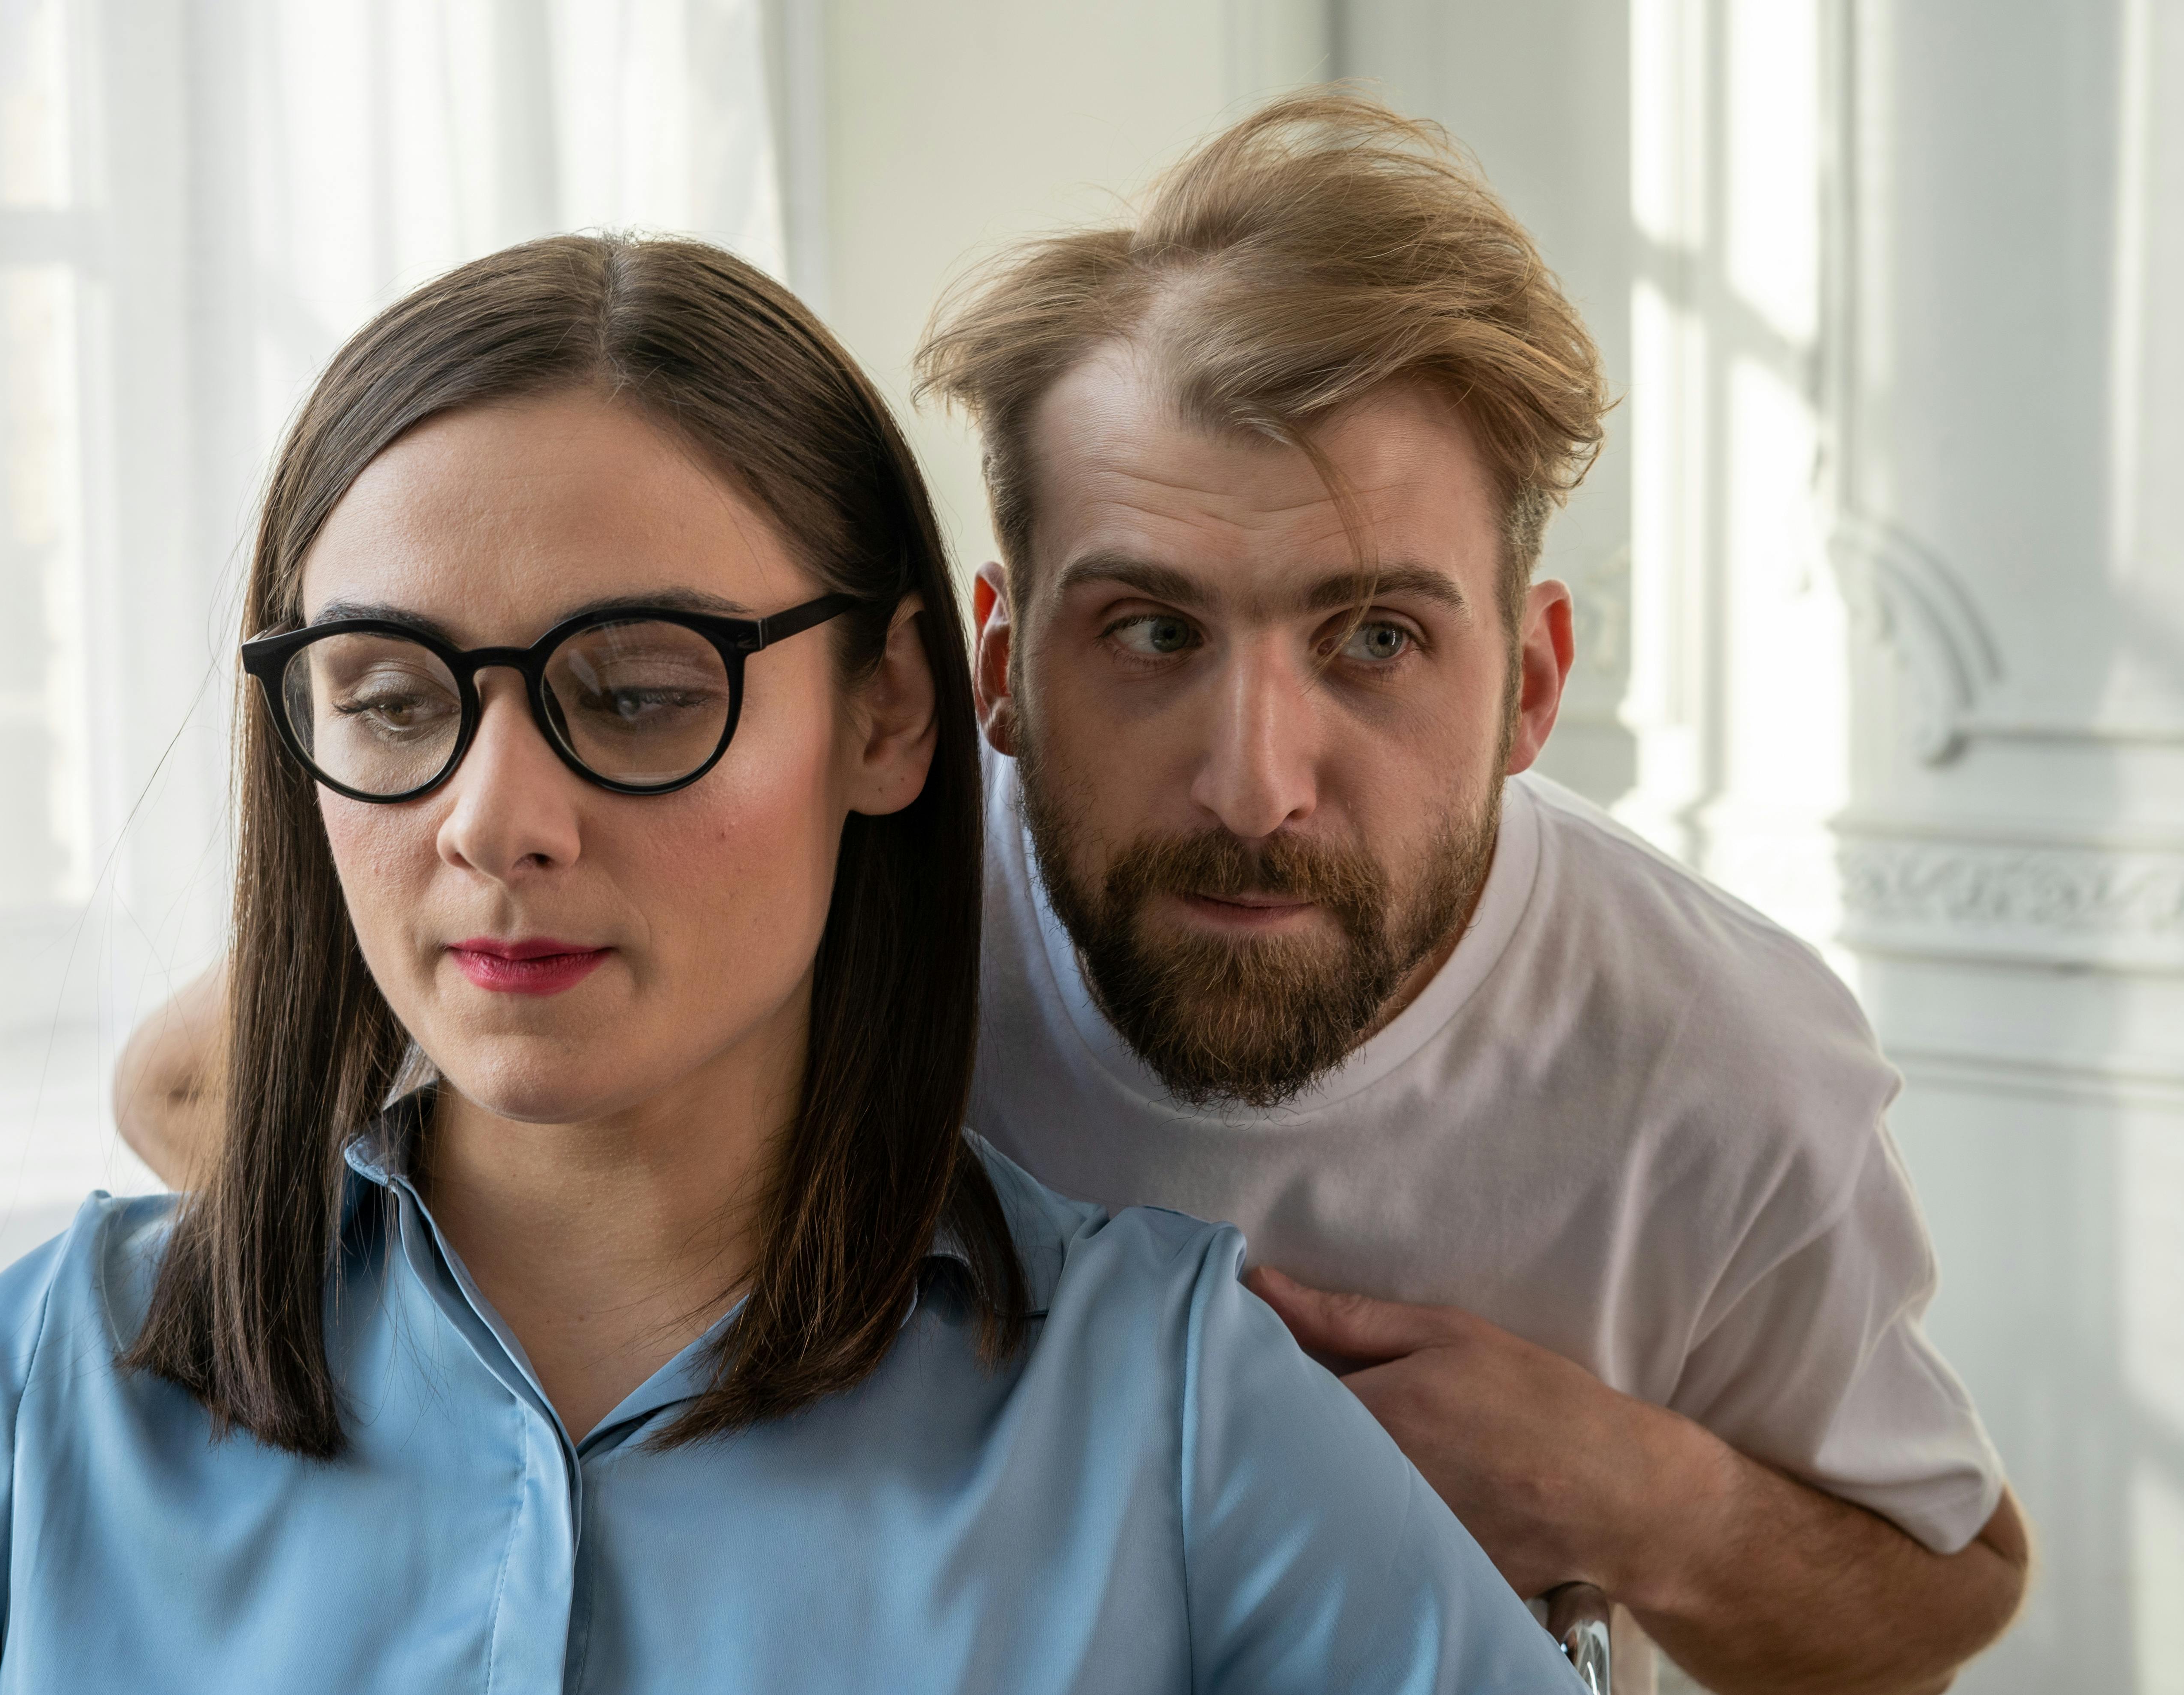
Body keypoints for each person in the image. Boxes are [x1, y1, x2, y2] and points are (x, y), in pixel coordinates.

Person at [114, 94, 2031, 1695]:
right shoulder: (810, 889)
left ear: (1529, 682)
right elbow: (214, 1096)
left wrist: (1628, 1493)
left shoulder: (1715, 1057)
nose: (1251, 778)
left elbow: (1939, 1592)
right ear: (992, 668)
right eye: (1148, 631)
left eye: (1371, 636)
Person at [0, 234, 1577, 1694]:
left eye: (636, 691)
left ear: (892, 708)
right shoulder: (57, 1369)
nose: (495, 817)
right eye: (392, 697)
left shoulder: (1164, 1407)